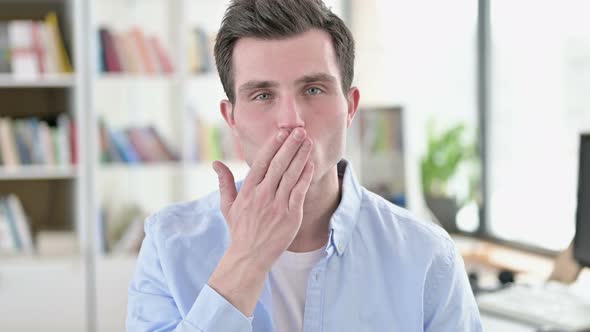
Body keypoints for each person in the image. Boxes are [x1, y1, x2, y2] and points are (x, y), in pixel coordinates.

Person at [126, 0, 483, 331]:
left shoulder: (428, 256)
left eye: (313, 89)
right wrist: (246, 259)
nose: (291, 121)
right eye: (263, 95)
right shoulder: (168, 244)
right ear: (231, 118)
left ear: (351, 106)